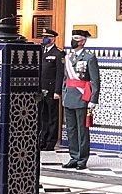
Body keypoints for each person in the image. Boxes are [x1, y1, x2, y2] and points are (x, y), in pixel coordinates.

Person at [61, 27, 100, 169]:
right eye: (73, 38)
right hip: (69, 96)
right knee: (71, 129)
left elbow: (95, 80)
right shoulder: (68, 57)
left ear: (83, 41)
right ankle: (74, 156)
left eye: (77, 39)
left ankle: (82, 159)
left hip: (82, 97)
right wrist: (63, 94)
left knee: (82, 130)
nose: (73, 41)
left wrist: (93, 100)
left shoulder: (89, 57)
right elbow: (65, 78)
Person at [37, 26, 63, 152]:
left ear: (52, 39)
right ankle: (42, 139)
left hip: (52, 90)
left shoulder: (58, 53)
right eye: (43, 37)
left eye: (46, 37)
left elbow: (59, 74)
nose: (44, 39)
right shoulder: (41, 51)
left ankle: (51, 142)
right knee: (43, 115)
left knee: (52, 116)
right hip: (41, 89)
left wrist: (58, 91)